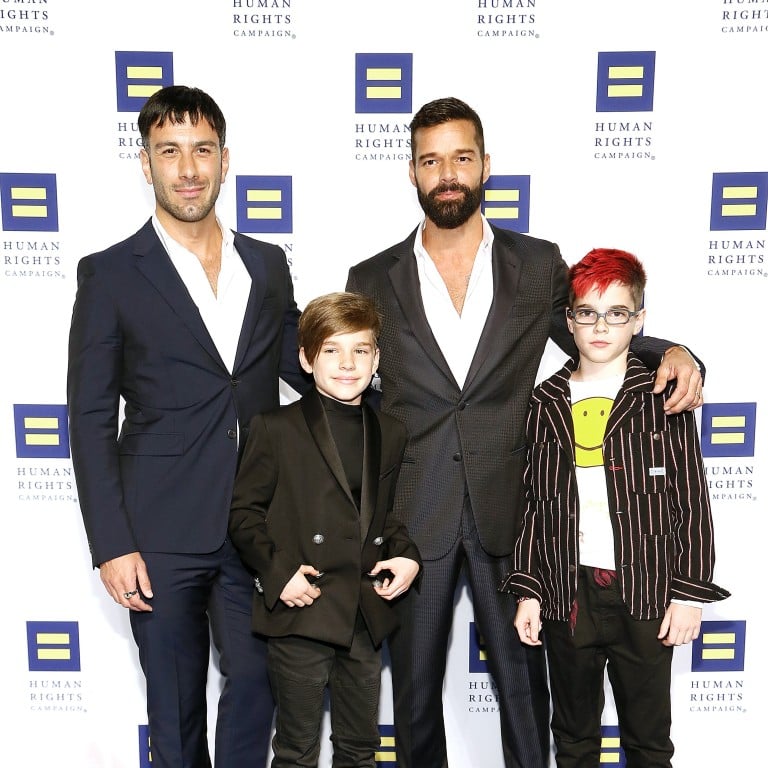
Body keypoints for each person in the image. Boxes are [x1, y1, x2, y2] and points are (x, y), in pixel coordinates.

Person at [345, 97, 705, 768]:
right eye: (431, 160)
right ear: (412, 172)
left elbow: (598, 330)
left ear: (485, 165)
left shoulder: (537, 264)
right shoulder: (370, 279)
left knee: (524, 696)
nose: (446, 173)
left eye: (460, 157)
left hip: (512, 513)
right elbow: (340, 373)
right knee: (415, 697)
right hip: (412, 516)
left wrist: (676, 351)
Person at [67, 85, 309, 768]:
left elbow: (305, 361)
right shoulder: (111, 274)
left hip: (255, 521)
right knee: (173, 709)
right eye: (169, 152)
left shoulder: (265, 264)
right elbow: (88, 416)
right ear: (146, 164)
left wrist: (381, 377)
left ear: (225, 161)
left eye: (202, 150)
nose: (188, 169)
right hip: (157, 529)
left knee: (259, 680)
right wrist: (111, 543)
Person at [503, 248, 729, 767]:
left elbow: (691, 500)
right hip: (568, 590)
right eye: (586, 313)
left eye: (617, 314)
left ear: (640, 320)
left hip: (646, 590)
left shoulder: (660, 395)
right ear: (569, 320)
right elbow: (533, 506)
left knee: (649, 740)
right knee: (574, 737)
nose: (600, 326)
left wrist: (690, 592)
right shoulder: (544, 402)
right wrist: (530, 591)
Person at [228, 291, 421, 768]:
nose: (347, 363)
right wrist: (278, 576)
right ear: (306, 358)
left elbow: (385, 515)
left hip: (363, 613)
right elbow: (243, 513)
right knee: (296, 751)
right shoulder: (275, 428)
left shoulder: (390, 431)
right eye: (332, 350)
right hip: (302, 610)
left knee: (360, 751)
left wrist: (407, 555)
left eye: (360, 349)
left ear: (377, 358)